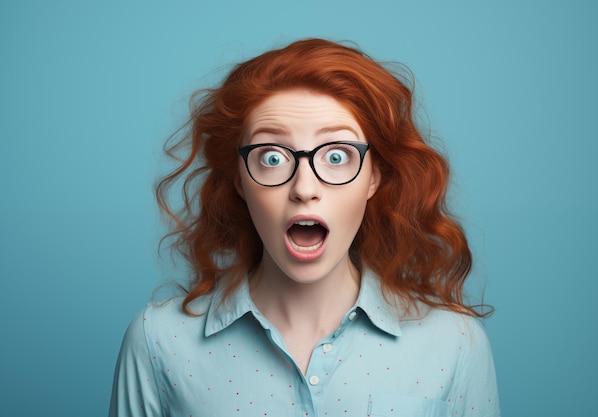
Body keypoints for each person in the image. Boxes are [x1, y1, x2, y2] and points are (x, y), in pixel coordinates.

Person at [109, 38, 500, 417]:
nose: (304, 189)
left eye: (336, 155)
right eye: (272, 158)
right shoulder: (159, 342)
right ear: (240, 182)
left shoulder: (454, 345)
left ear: (373, 178)